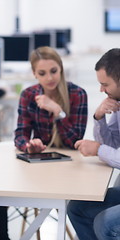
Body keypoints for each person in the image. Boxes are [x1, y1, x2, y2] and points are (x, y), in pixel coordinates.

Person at [68, 48, 120, 240]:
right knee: (77, 207)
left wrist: (98, 150)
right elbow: (112, 144)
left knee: (105, 224)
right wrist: (99, 117)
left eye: (105, 84)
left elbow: (106, 149)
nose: (101, 90)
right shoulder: (117, 102)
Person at [14, 46, 88, 153]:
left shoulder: (78, 94)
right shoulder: (28, 95)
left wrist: (58, 111)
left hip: (71, 159)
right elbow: (21, 134)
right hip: (42, 155)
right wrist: (29, 146)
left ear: (61, 69)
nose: (49, 78)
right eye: (42, 73)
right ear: (34, 73)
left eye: (53, 71)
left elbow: (75, 142)